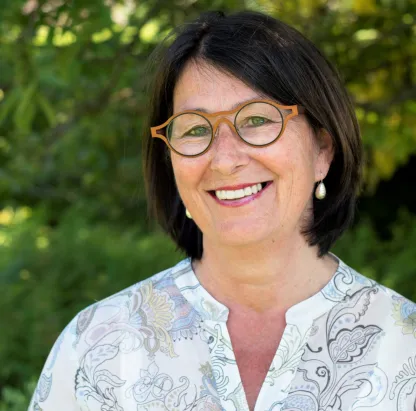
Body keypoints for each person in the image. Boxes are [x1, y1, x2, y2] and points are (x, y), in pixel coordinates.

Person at [29, 10, 416, 411]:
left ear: (322, 150)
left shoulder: (405, 348)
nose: (225, 159)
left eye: (257, 119)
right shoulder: (98, 347)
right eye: (195, 129)